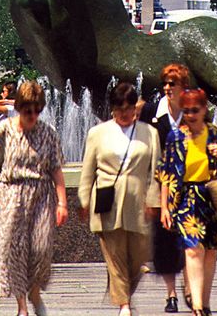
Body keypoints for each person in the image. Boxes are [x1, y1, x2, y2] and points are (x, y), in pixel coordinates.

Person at [0, 80, 67, 316]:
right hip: (11, 192)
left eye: (37, 110)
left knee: (41, 248)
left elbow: (56, 168)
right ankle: (22, 307)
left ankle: (35, 292)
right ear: (19, 108)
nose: (32, 115)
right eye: (27, 110)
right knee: (14, 249)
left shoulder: (48, 133)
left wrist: (62, 202)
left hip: (41, 193)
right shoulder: (2, 131)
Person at [79, 81, 160, 316]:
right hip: (107, 200)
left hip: (139, 201)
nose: (124, 113)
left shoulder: (149, 133)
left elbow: (156, 171)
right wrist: (84, 200)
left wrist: (154, 201)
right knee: (114, 257)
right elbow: (88, 170)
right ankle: (124, 305)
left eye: (128, 108)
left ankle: (123, 294)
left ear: (136, 107)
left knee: (139, 258)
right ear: (112, 108)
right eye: (119, 108)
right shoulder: (98, 133)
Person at [158, 87, 217, 316]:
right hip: (187, 198)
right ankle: (196, 307)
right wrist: (164, 206)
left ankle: (204, 302)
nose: (191, 115)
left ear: (205, 109)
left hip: (214, 196)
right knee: (193, 250)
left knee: (211, 251)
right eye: (186, 111)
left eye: (195, 110)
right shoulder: (175, 137)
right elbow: (165, 173)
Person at [140, 63, 191, 313]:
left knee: (191, 241)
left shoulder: (193, 112)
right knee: (166, 241)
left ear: (184, 87)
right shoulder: (151, 112)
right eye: (165, 84)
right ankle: (171, 294)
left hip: (190, 187)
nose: (168, 88)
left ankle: (191, 287)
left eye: (173, 84)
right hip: (159, 186)